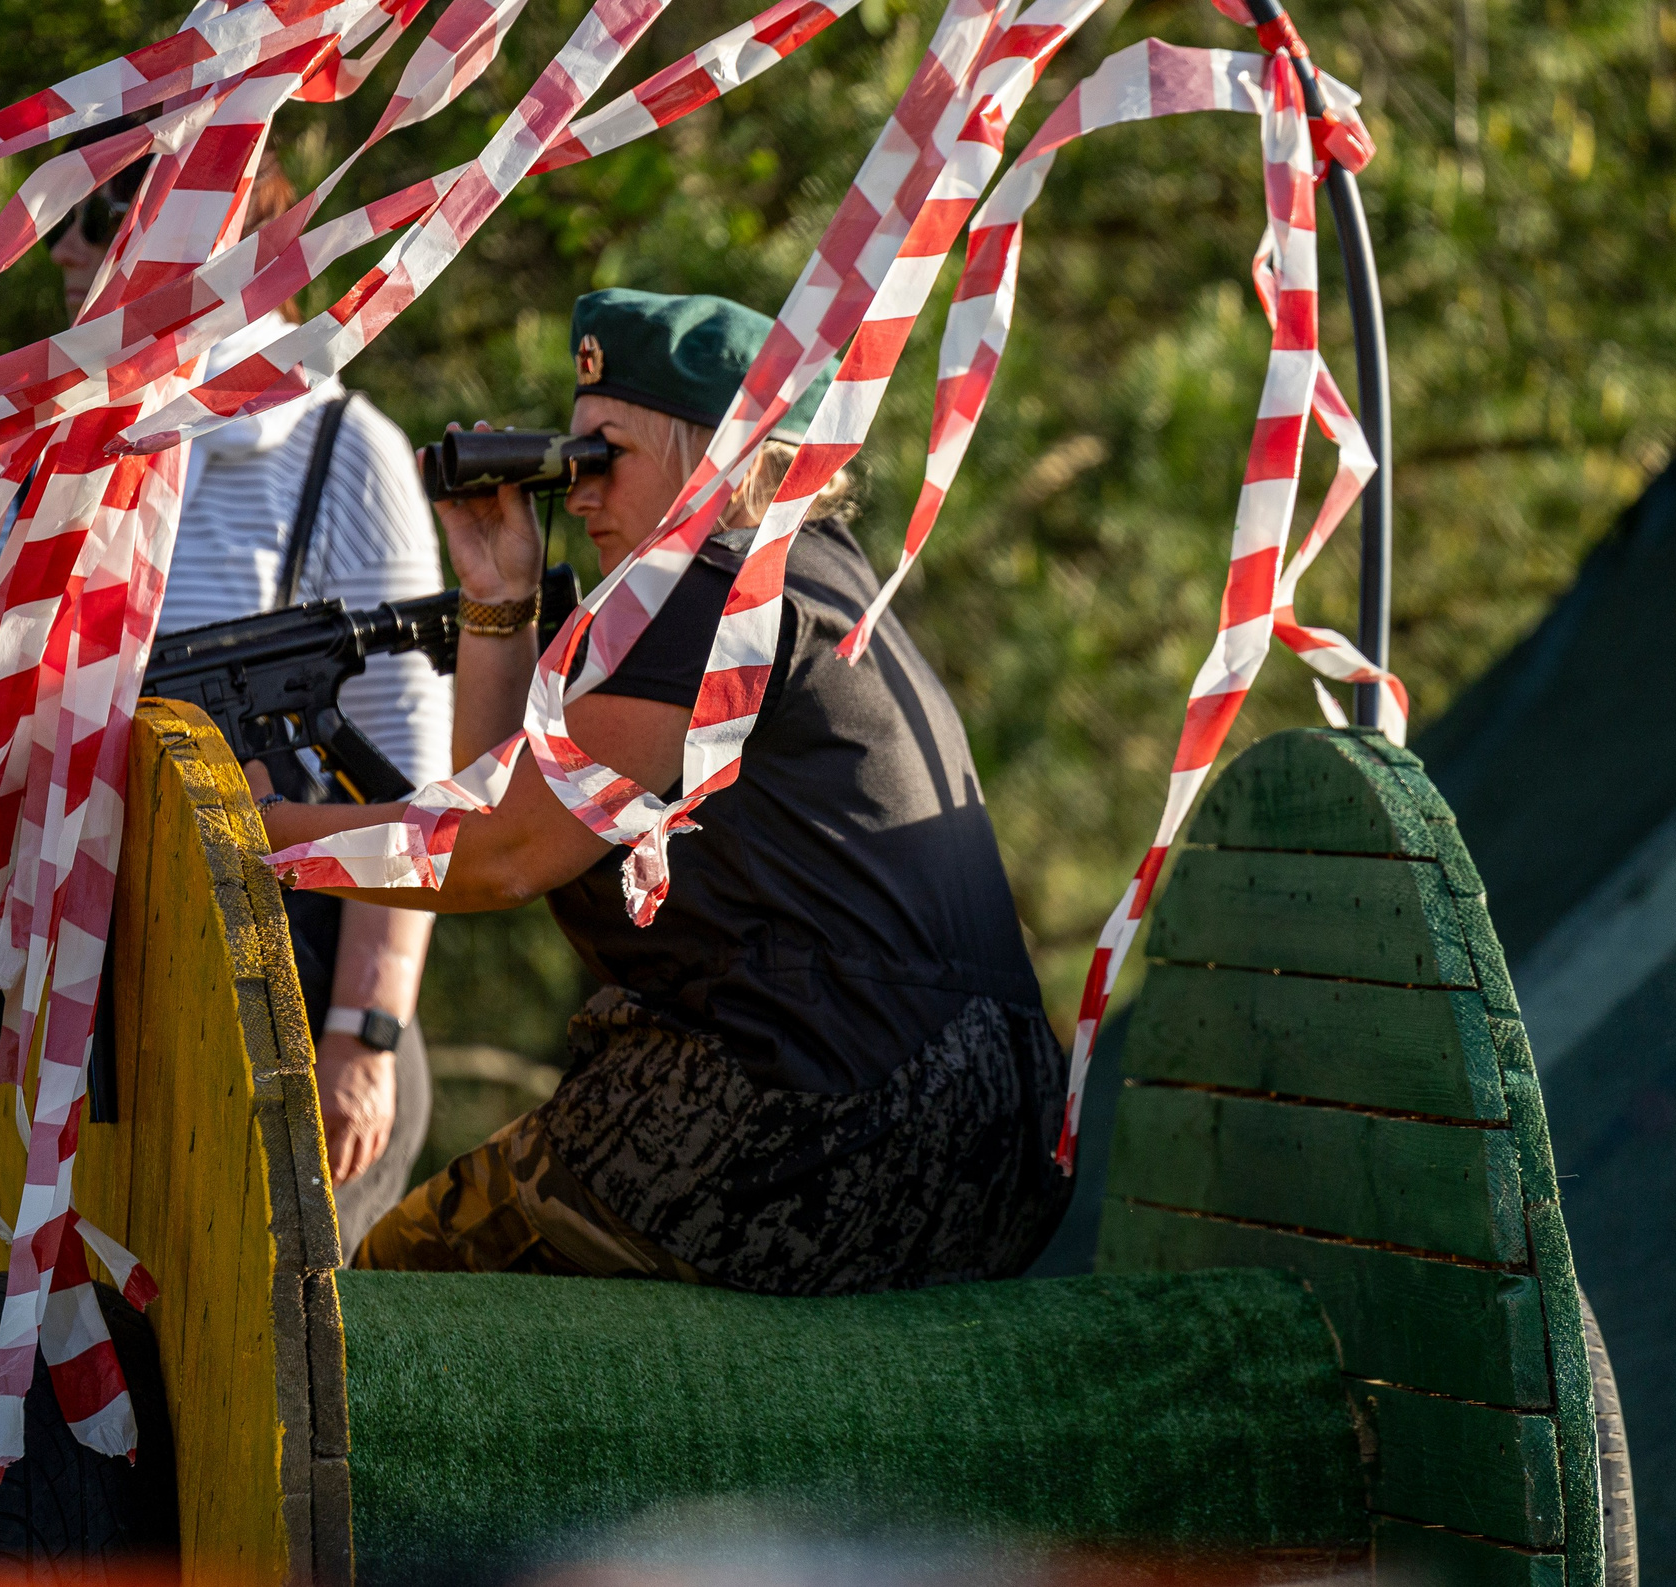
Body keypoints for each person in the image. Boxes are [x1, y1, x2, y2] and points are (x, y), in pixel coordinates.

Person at [252, 288, 1070, 1296]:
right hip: (987, 1137)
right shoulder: (815, 577)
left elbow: (503, 855)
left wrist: (251, 839)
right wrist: (499, 603)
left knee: (400, 1285)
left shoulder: (716, 591)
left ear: (713, 456)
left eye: (604, 458)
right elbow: (495, 806)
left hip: (830, 1122)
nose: (578, 493)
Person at [0, 152, 449, 1251]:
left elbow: (409, 796)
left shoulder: (339, 449)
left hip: (276, 1014)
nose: (65, 251)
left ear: (203, 229)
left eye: (92, 218)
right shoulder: (31, 456)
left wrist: (365, 1036)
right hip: (55, 1024)